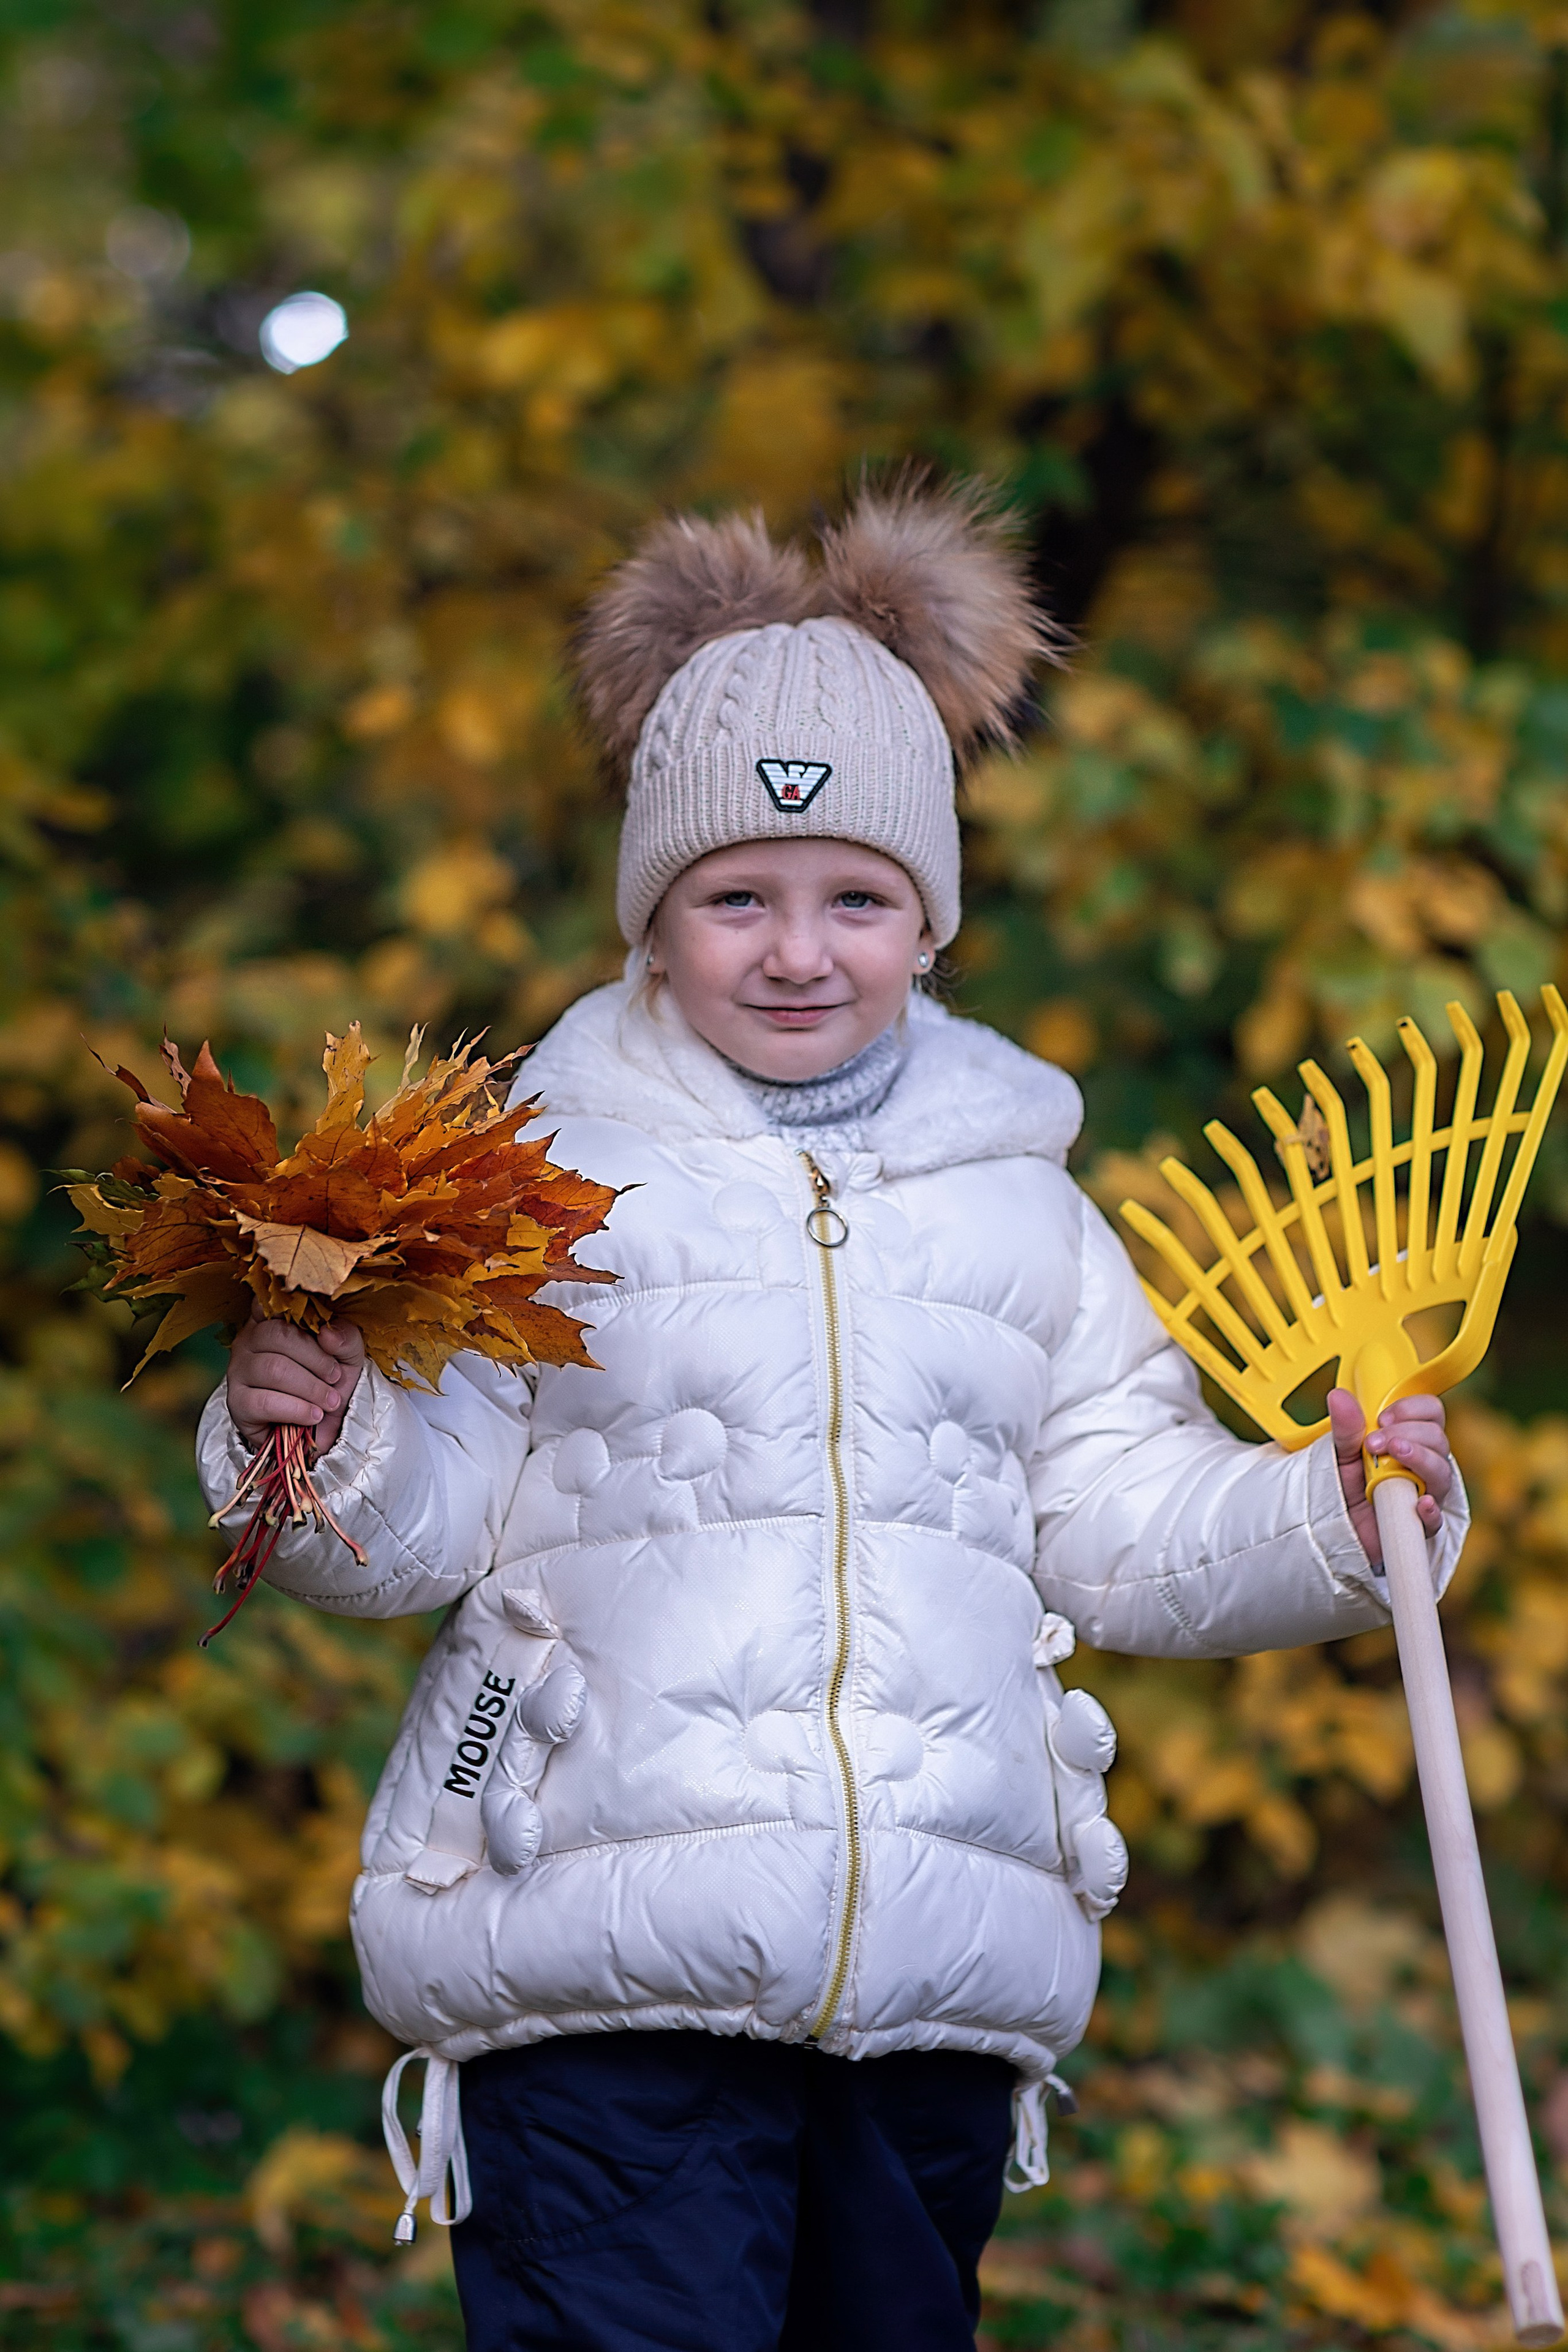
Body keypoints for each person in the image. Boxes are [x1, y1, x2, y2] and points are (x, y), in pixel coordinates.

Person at [198, 480, 1460, 2352]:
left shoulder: (1021, 1200)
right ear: (657, 918)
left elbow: (1113, 1510)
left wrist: (1332, 1521)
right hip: (601, 1962)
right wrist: (311, 1437)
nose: (800, 951)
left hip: (935, 1983)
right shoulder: (529, 1184)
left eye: (856, 898)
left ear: (931, 919)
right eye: (739, 900)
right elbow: (414, 1536)